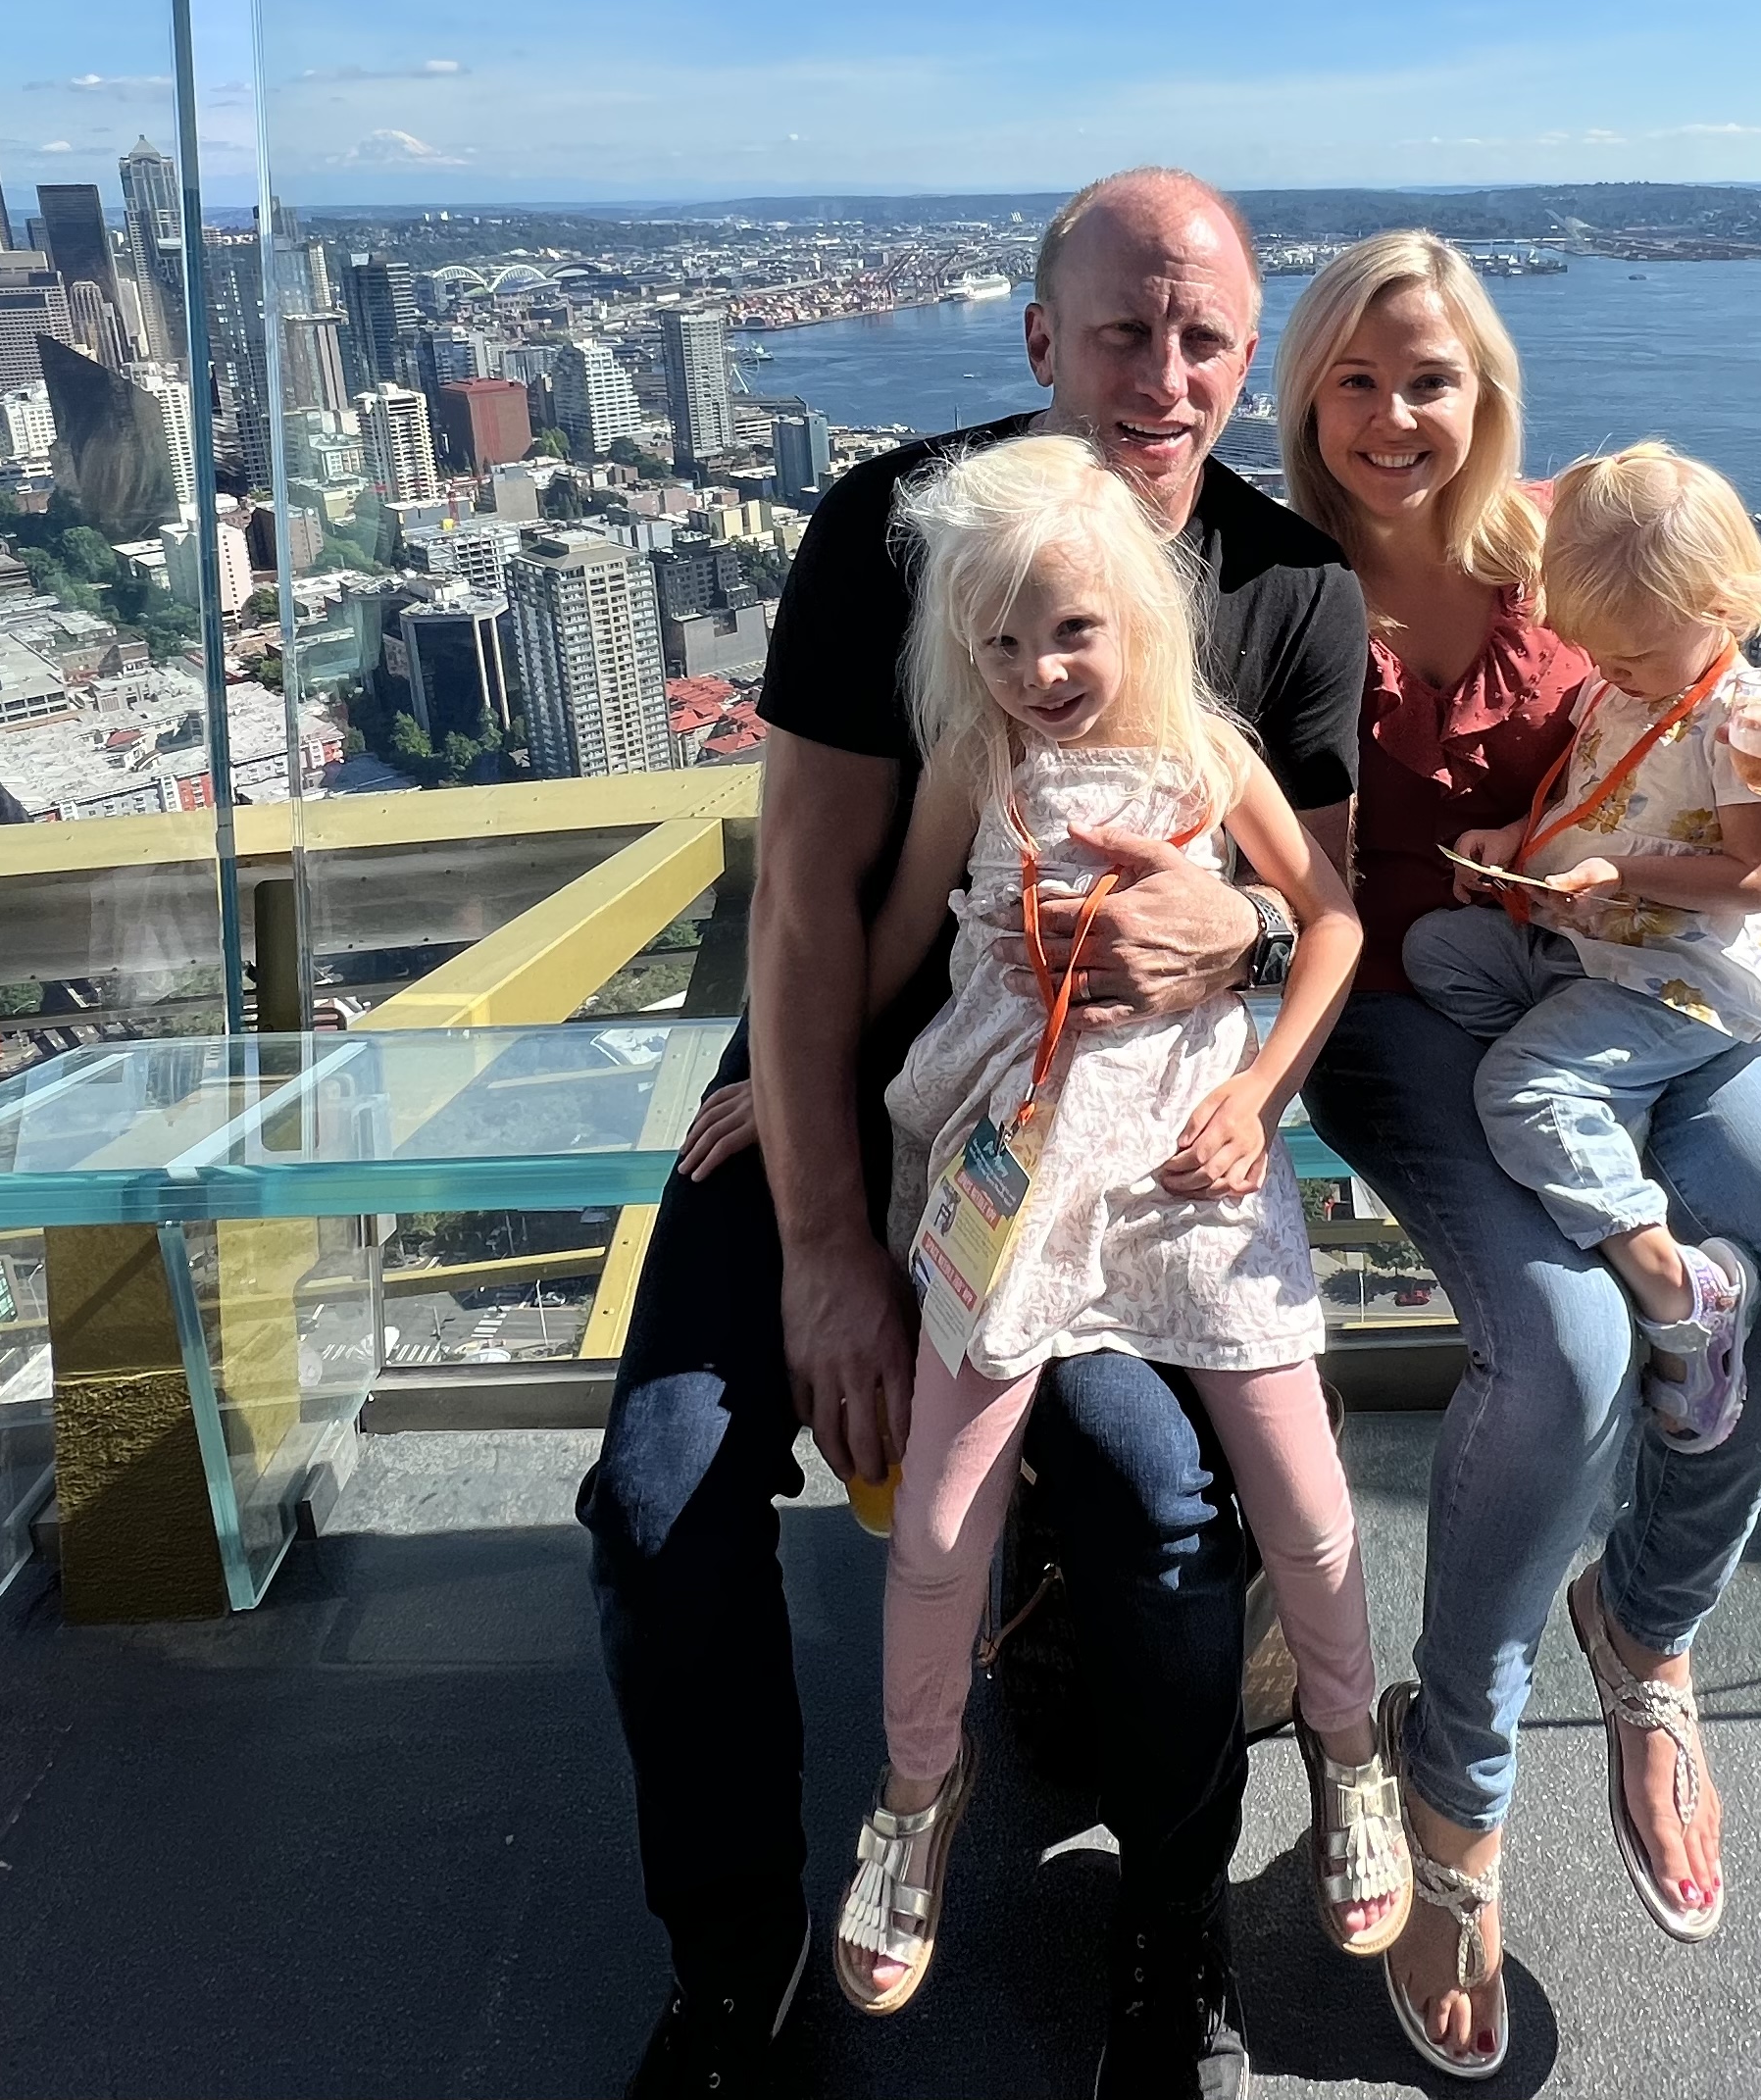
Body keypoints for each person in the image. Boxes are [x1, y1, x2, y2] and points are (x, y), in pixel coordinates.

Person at [581, 170, 1368, 2100]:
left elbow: (1323, 902)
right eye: (1121, 328)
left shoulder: (1289, 587)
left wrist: (1247, 933)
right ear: (1038, 341)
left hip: (1103, 1159)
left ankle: (1173, 1921)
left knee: (1160, 1503)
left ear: (1245, 352)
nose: (1162, 373)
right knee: (663, 1492)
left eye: (1201, 336)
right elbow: (809, 899)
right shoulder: (899, 529)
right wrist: (830, 1228)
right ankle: (734, 1956)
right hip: (858, 1102)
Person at [1276, 233, 1761, 2076]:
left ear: (1490, 395)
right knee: (1570, 1347)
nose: (1398, 417)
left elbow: (1716, 698)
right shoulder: (1270, 585)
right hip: (1408, 1002)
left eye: (1432, 379)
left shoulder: (1573, 537)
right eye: (1361, 379)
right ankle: (1457, 1789)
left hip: (1630, 968)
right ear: (1309, 391)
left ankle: (1649, 1619)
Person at [830, 433, 1404, 2014]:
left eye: (1068, 630)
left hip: (1180, 1161)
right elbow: (883, 952)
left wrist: (1265, 1089)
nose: (1035, 669)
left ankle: (1351, 1752)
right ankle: (915, 1791)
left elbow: (1335, 920)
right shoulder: (978, 764)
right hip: (1013, 1159)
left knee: (1305, 1492)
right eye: (1000, 641)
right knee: (940, 1521)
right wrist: (789, 1075)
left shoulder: (1212, 756)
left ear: (1139, 616)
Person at [1405, 441, 1761, 1462]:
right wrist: (1518, 846)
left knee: (1515, 1087)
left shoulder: (1740, 722)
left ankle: (1684, 1290)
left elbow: (1754, 877)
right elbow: (1586, 794)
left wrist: (1621, 878)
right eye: (1601, 651)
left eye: (1630, 652)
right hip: (1592, 945)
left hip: (1683, 974)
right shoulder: (1627, 685)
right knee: (1436, 952)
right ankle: (1596, 1106)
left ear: (1718, 606)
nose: (1609, 669)